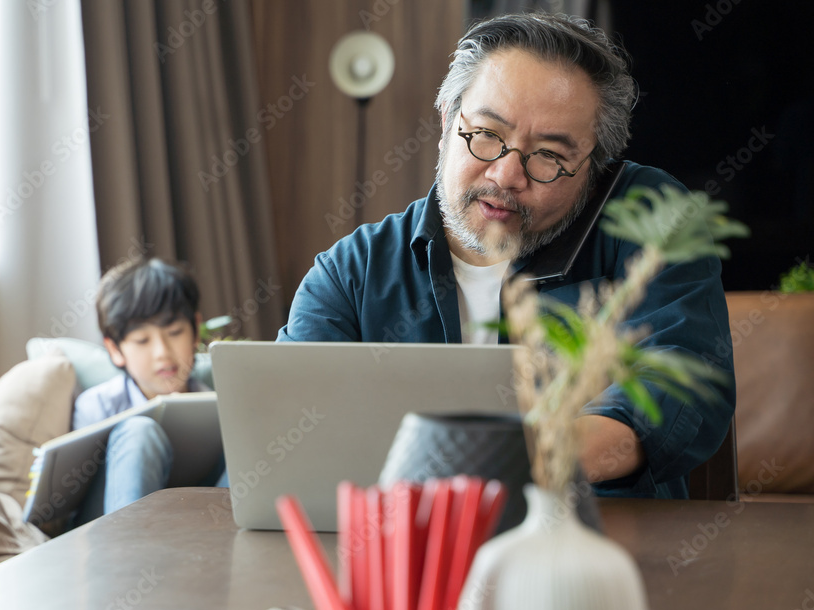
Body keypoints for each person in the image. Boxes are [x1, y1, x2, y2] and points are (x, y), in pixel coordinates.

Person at [277, 13, 735, 499]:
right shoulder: (353, 272)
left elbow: (685, 381)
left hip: (599, 551)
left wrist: (525, 458)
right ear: (447, 122)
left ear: (595, 169)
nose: (506, 175)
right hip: (406, 554)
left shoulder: (646, 216)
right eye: (487, 136)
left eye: (548, 156)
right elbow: (283, 436)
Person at [70, 256, 218, 523]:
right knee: (139, 432)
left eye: (174, 332)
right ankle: (130, 560)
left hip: (193, 529)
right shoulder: (97, 406)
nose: (163, 353)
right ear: (115, 349)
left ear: (195, 331)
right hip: (110, 529)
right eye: (142, 340)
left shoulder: (213, 402)